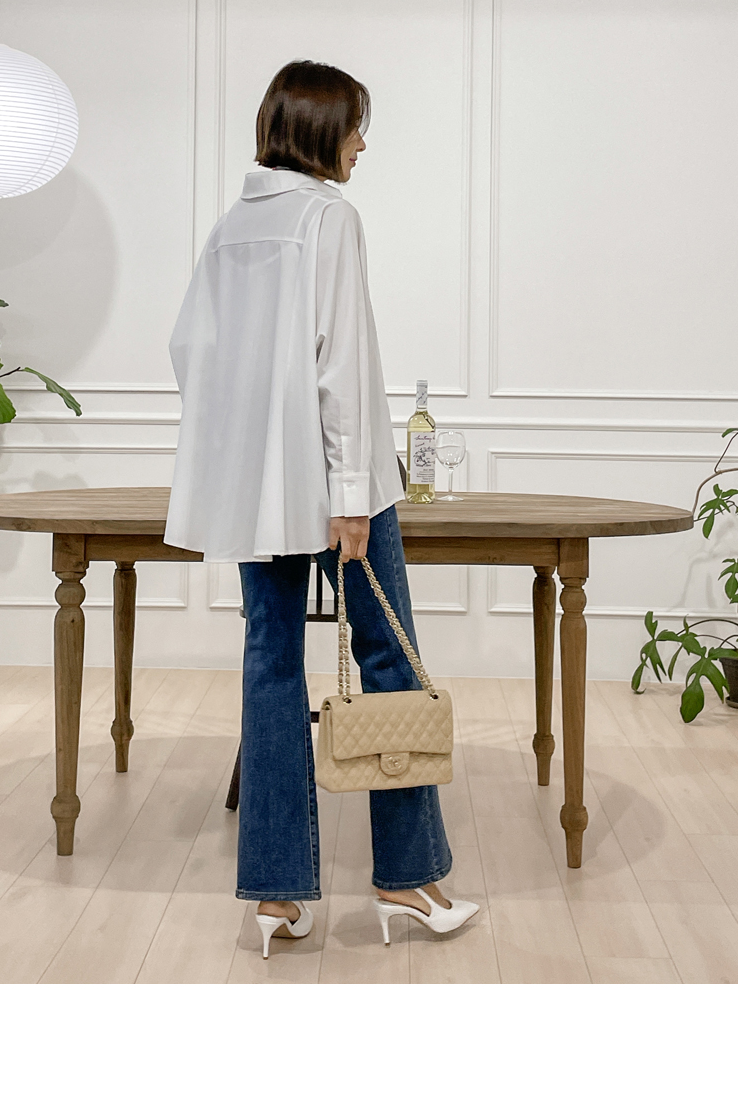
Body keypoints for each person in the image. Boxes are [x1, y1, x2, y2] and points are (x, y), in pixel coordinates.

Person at [165, 59, 478, 955]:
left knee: (269, 667)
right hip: (343, 485)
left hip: (255, 488)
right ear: (318, 131)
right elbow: (341, 365)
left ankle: (276, 900)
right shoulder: (328, 217)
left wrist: (246, 443)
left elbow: (189, 350)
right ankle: (407, 877)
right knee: (390, 659)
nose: (362, 144)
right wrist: (348, 497)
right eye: (353, 127)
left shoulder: (231, 227)